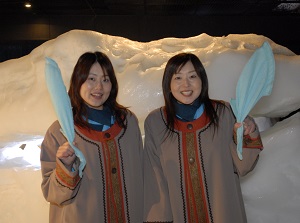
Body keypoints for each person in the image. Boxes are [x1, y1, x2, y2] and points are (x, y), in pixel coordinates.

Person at [143, 53, 263, 223]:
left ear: (202, 80)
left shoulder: (225, 112)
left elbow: (244, 166)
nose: (186, 84)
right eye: (178, 78)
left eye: (192, 76)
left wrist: (248, 133)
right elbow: (154, 177)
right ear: (168, 84)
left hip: (224, 213)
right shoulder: (155, 123)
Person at [40, 51, 143, 222]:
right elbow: (51, 193)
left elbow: (141, 175)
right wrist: (65, 167)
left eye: (105, 79)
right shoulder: (59, 132)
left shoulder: (128, 123)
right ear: (78, 81)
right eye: (91, 79)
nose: (99, 87)